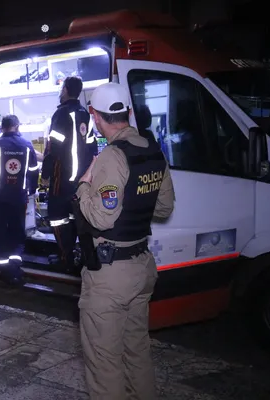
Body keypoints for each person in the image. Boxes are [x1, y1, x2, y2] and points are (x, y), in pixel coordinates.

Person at [73, 82, 175, 400]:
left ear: (95, 115)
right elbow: (164, 208)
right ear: (127, 112)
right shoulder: (153, 150)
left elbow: (103, 217)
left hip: (110, 276)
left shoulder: (111, 157)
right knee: (137, 355)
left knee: (105, 367)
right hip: (142, 267)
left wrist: (83, 188)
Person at [41, 76, 97, 272]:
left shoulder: (61, 114)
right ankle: (78, 256)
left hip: (62, 177)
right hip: (81, 179)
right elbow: (92, 146)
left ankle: (66, 257)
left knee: (57, 217)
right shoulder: (85, 115)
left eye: (61, 88)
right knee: (76, 216)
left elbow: (52, 148)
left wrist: (45, 174)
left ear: (65, 90)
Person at [0, 115, 39, 286]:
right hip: (18, 197)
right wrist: (30, 190)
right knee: (17, 232)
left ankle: (4, 270)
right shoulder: (27, 146)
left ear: (3, 128)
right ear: (17, 127)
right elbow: (34, 172)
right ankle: (15, 268)